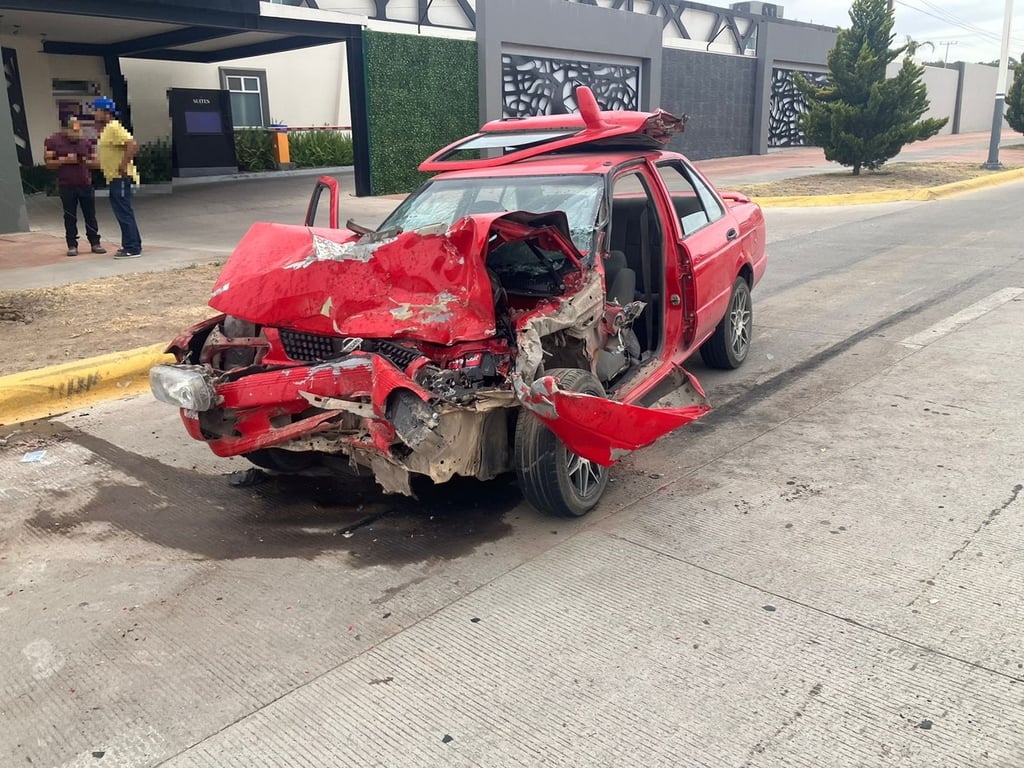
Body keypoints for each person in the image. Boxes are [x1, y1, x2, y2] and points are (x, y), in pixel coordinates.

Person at [43, 116, 106, 257]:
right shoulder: (53, 141)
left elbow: (97, 163)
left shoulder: (86, 141)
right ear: (64, 129)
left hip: (85, 183)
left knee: (90, 215)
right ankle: (72, 244)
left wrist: (84, 161)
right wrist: (65, 160)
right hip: (67, 184)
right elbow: (48, 163)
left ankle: (95, 242)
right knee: (70, 216)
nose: (75, 137)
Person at [92, 96, 143, 259]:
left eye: (97, 110)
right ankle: (129, 244)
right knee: (122, 212)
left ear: (106, 112)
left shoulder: (114, 127)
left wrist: (123, 165)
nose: (95, 114)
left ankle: (133, 247)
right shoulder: (107, 130)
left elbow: (132, 144)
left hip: (120, 177)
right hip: (113, 177)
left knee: (124, 212)